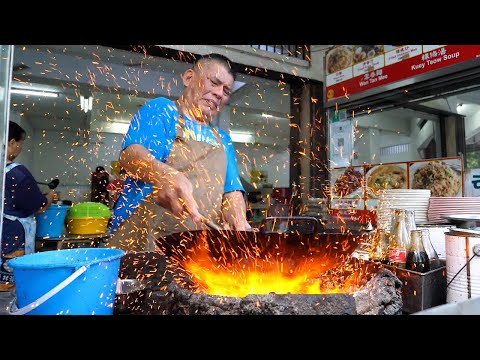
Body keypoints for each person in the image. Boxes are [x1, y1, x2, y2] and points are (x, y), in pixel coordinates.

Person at [109, 53, 250, 252]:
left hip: (195, 251)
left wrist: (239, 223)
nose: (219, 93)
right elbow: (131, 156)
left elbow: (231, 191)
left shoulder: (222, 138)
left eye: (226, 91)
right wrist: (164, 175)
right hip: (144, 244)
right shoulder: (163, 111)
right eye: (214, 82)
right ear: (189, 78)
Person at [1, 121, 59, 291]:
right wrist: (49, 196)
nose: (20, 148)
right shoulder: (18, 173)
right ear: (12, 143)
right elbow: (39, 206)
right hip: (13, 237)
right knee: (11, 286)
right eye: (20, 144)